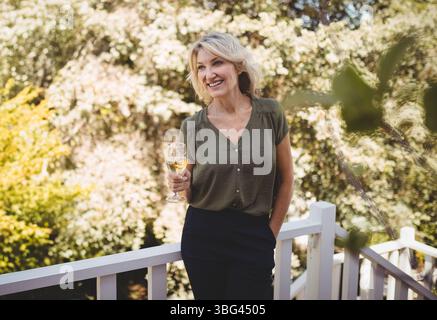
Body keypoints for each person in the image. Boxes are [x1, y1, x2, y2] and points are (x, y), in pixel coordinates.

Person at [167, 31, 294, 300]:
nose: (208, 73)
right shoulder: (191, 127)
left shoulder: (271, 113)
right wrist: (182, 185)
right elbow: (186, 193)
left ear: (237, 66)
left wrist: (269, 235)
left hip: (254, 236)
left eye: (216, 63)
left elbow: (286, 179)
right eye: (201, 67)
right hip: (203, 236)